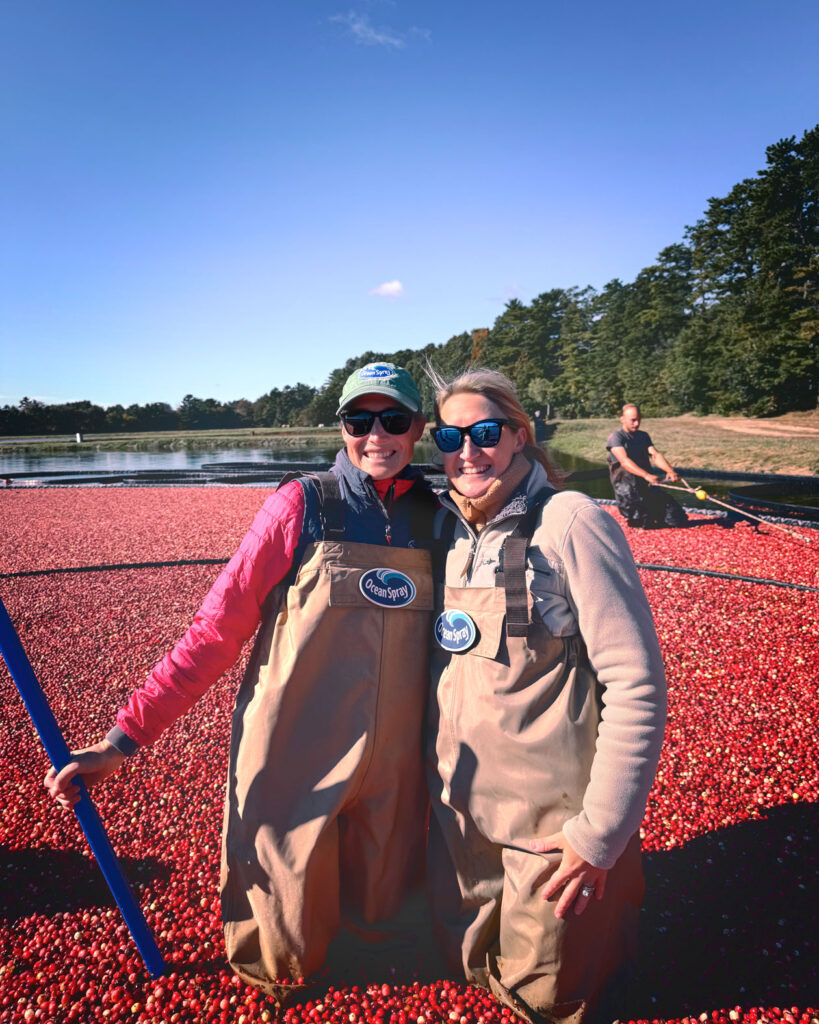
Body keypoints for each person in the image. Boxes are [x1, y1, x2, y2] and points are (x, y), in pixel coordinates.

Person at [44, 362, 437, 1000]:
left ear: (418, 427)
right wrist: (123, 740)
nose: (376, 436)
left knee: (387, 935)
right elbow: (215, 631)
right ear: (340, 427)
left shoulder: (436, 515)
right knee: (282, 948)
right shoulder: (300, 504)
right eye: (358, 420)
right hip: (292, 751)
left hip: (398, 760)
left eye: (393, 419)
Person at [426, 368, 666, 1024]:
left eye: (485, 432)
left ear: (519, 436)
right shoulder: (448, 527)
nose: (467, 449)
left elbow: (637, 684)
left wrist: (600, 834)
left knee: (549, 1000)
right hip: (460, 824)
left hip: (551, 833)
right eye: (450, 434)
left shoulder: (569, 521)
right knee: (470, 975)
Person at [606, 403, 688, 528]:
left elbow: (655, 455)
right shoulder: (616, 437)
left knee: (676, 518)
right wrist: (646, 475)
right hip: (627, 489)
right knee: (644, 523)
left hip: (646, 485)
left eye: (639, 420)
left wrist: (670, 471)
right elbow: (624, 461)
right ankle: (638, 517)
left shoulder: (643, 436)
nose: (637, 424)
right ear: (622, 419)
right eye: (633, 420)